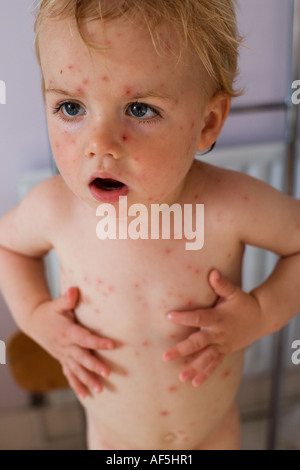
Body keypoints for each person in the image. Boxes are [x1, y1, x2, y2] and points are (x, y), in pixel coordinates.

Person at [0, 0, 300, 451]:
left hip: (215, 435)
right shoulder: (54, 208)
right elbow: (8, 248)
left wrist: (261, 314)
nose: (98, 145)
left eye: (140, 110)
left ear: (208, 122)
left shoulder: (231, 205)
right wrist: (37, 318)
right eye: (70, 107)